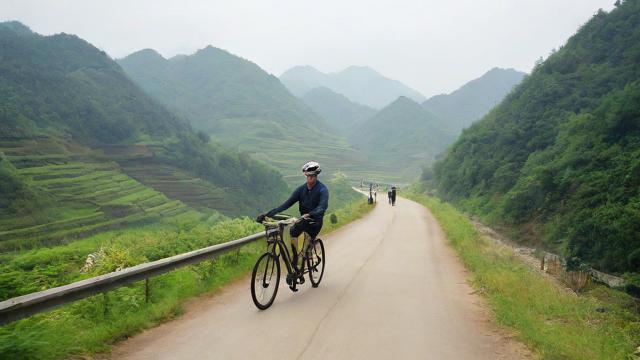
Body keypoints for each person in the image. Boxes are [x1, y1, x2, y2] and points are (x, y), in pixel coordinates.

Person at [256, 161, 329, 287]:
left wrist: (310, 214)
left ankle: (302, 262)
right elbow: (286, 204)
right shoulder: (301, 190)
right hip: (302, 220)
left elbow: (322, 207)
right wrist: (267, 214)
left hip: (314, 222)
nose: (309, 179)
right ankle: (294, 263)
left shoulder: (323, 190)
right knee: (291, 235)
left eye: (312, 177)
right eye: (308, 176)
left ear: (316, 176)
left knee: (305, 250)